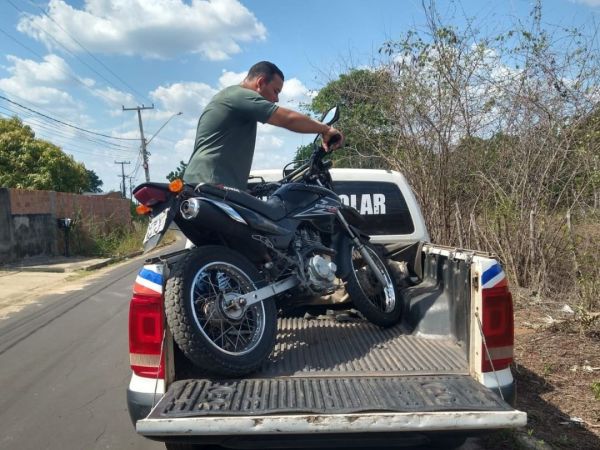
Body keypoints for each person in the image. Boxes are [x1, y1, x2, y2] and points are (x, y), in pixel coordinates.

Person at [183, 61, 343, 191]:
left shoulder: (229, 97)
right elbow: (287, 119)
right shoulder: (239, 96)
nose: (276, 99)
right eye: (276, 91)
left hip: (202, 183)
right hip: (211, 184)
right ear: (260, 83)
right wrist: (326, 129)